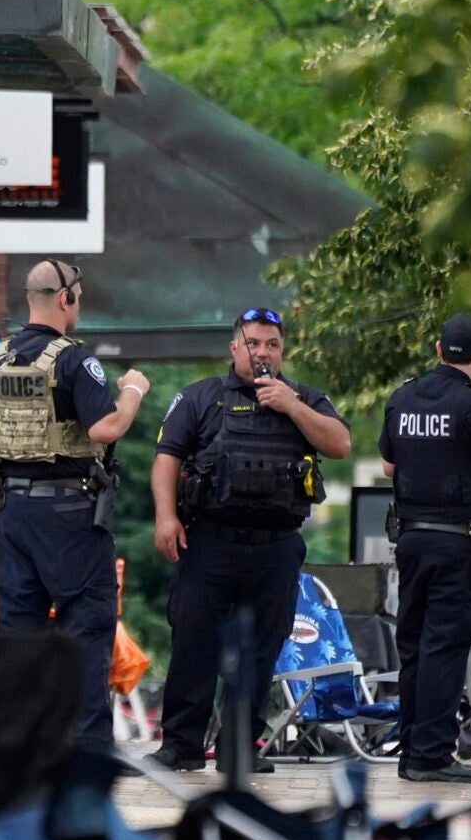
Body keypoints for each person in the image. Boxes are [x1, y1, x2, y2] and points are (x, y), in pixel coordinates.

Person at [149, 310, 352, 772]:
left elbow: (340, 444)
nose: (263, 352)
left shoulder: (304, 398)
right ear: (234, 347)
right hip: (209, 542)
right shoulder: (201, 398)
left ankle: (240, 748)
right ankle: (181, 744)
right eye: (254, 342)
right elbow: (167, 458)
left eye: (272, 344)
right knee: (194, 644)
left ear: (282, 351)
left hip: (275, 546)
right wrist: (165, 516)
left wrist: (292, 406)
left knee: (261, 650)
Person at [0, 260, 153, 750]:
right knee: (84, 632)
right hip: (69, 517)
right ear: (65, 299)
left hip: (12, 514)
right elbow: (106, 429)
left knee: (18, 638)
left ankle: (19, 752)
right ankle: (84, 760)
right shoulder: (75, 361)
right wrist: (133, 393)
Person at [379, 314, 471, 784]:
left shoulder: (402, 397)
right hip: (456, 540)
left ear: (439, 348)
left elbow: (388, 466)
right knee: (445, 647)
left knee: (415, 647)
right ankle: (431, 756)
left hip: (411, 540)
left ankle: (411, 752)